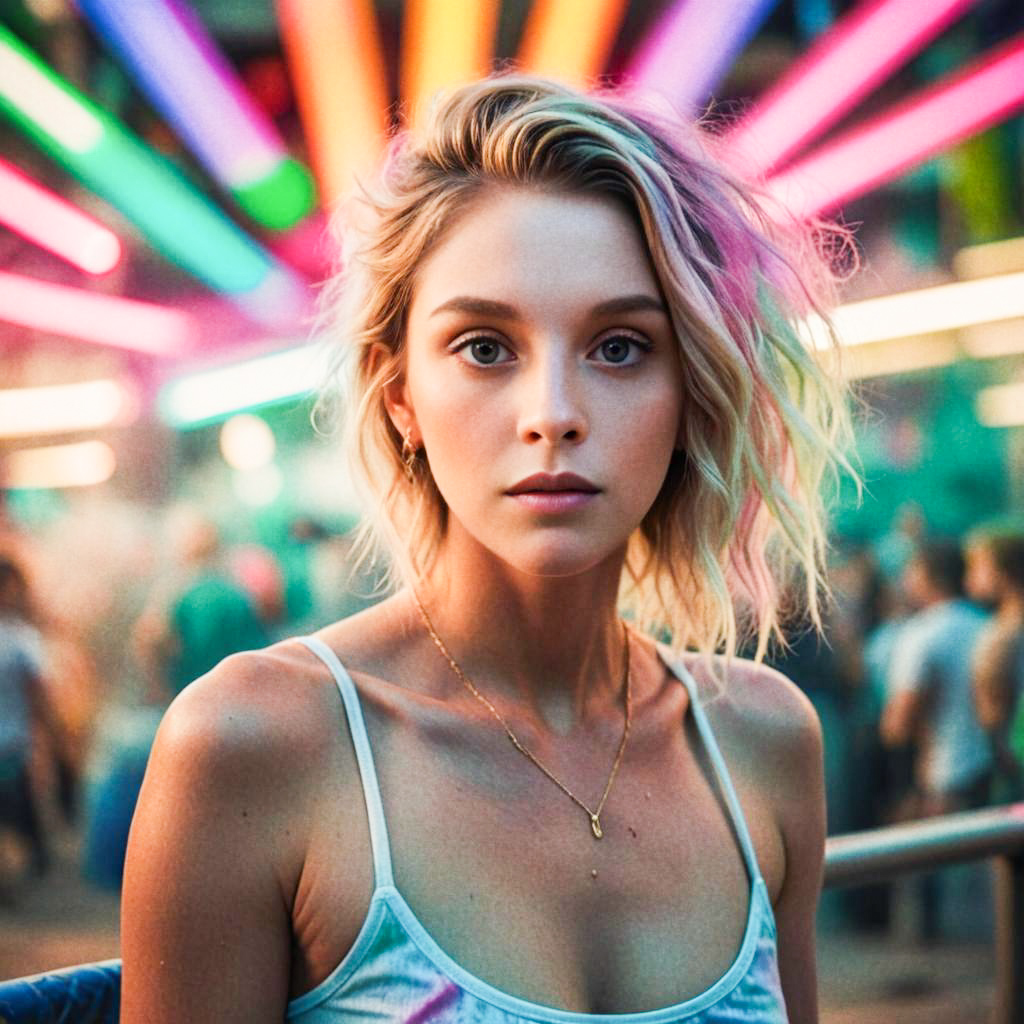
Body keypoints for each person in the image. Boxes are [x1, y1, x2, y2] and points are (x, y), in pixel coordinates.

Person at [121, 75, 855, 1023]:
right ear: (399, 395)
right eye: (483, 346)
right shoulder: (255, 745)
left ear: (692, 391)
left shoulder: (762, 741)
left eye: (621, 347)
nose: (553, 415)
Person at [880, 540, 992, 942]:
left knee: (933, 874)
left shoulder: (922, 633)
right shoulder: (987, 624)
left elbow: (900, 720)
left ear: (927, 576)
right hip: (992, 763)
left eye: (911, 571)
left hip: (942, 768)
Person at [0, 553, 65, 880]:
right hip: (12, 745)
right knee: (17, 821)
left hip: (13, 745)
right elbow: (40, 692)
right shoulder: (22, 639)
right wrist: (53, 734)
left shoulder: (23, 637)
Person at [965, 521, 1024, 800]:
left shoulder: (1001, 635)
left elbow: (993, 718)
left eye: (977, 567)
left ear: (1006, 572)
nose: (969, 579)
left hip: (1011, 772)